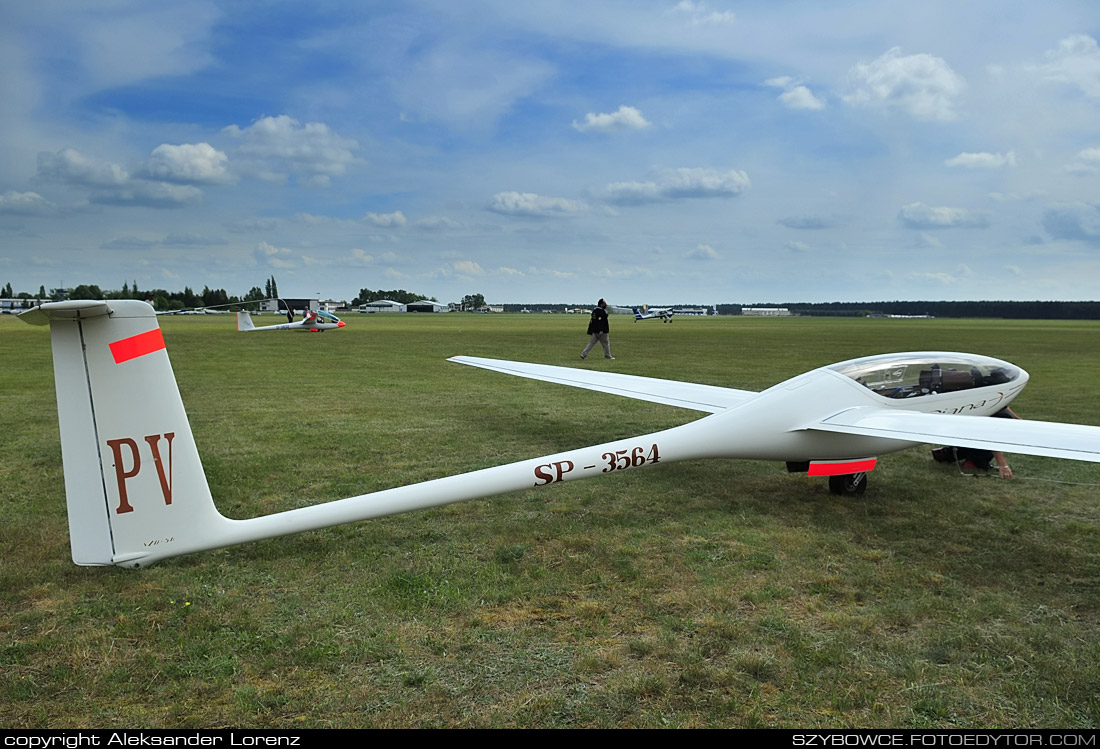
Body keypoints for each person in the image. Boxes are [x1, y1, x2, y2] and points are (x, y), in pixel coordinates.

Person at [931, 406, 1019, 478]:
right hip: (973, 427)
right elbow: (991, 438)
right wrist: (1003, 465)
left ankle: (947, 453)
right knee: (1004, 418)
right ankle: (976, 462)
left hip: (967, 426)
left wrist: (1018, 419)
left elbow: (1003, 404)